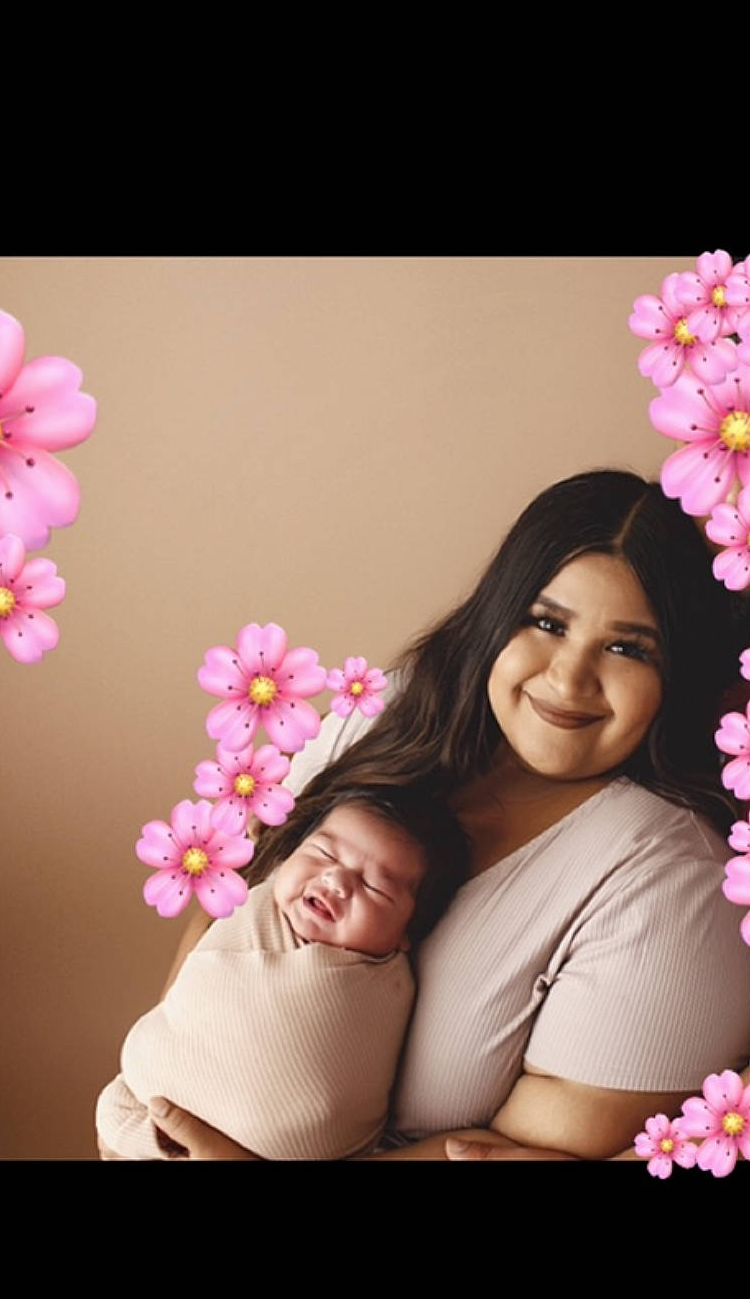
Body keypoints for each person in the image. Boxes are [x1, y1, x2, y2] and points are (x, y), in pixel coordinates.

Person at [134, 469, 750, 1164]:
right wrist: (162, 1098)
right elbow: (230, 910)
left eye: (628, 648)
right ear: (498, 615)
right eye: (547, 623)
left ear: (681, 673)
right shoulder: (391, 714)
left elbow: (523, 1152)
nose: (568, 679)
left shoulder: (677, 879)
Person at [96, 788, 469, 1160]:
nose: (336, 881)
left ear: (407, 933)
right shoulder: (260, 903)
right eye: (323, 853)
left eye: (375, 886)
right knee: (114, 1110)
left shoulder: (386, 984)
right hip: (155, 1103)